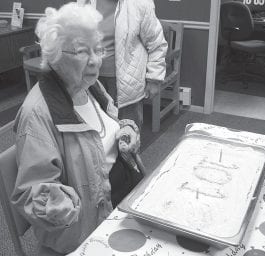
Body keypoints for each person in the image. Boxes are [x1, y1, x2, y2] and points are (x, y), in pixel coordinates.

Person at [11, 3, 143, 255]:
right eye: (83, 51)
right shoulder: (38, 114)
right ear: (56, 56)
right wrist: (62, 204)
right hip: (90, 230)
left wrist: (126, 131)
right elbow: (31, 192)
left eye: (98, 49)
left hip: (124, 203)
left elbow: (109, 125)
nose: (95, 60)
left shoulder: (90, 87)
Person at [96, 0, 168, 129]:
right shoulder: (84, 2)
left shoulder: (140, 3)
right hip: (91, 80)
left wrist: (154, 79)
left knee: (128, 134)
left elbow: (156, 43)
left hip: (126, 81)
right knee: (99, 132)